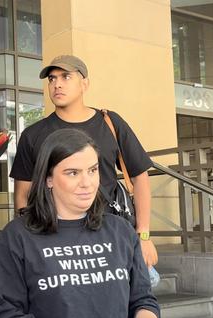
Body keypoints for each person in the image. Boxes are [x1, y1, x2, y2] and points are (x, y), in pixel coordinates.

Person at [0, 129, 174, 318]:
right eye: (72, 173)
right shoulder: (18, 237)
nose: (87, 183)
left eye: (93, 170)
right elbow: (7, 314)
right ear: (48, 178)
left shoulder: (121, 231)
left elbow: (141, 300)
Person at [10, 55, 158, 269]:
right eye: (52, 79)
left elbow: (140, 177)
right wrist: (29, 239)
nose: (57, 84)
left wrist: (143, 235)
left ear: (84, 84)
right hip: (54, 239)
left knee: (122, 297)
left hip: (107, 234)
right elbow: (23, 194)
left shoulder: (110, 123)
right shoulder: (33, 135)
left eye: (66, 77)